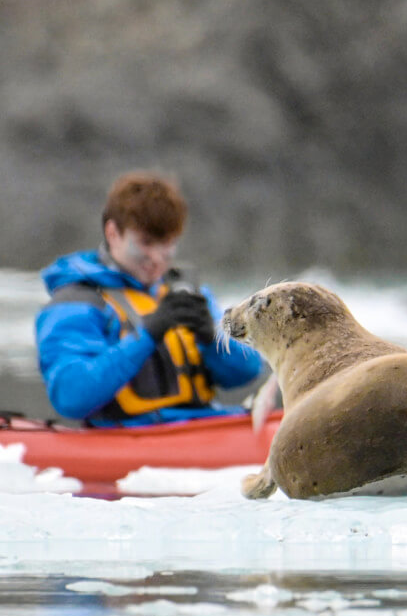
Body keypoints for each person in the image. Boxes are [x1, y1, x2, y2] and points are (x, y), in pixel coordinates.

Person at [35, 171, 264, 426]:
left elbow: (248, 373)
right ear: (113, 233)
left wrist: (211, 337)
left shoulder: (189, 292)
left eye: (166, 244)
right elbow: (71, 397)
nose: (157, 258)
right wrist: (147, 336)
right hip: (130, 436)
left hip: (202, 424)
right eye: (145, 243)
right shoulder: (74, 303)